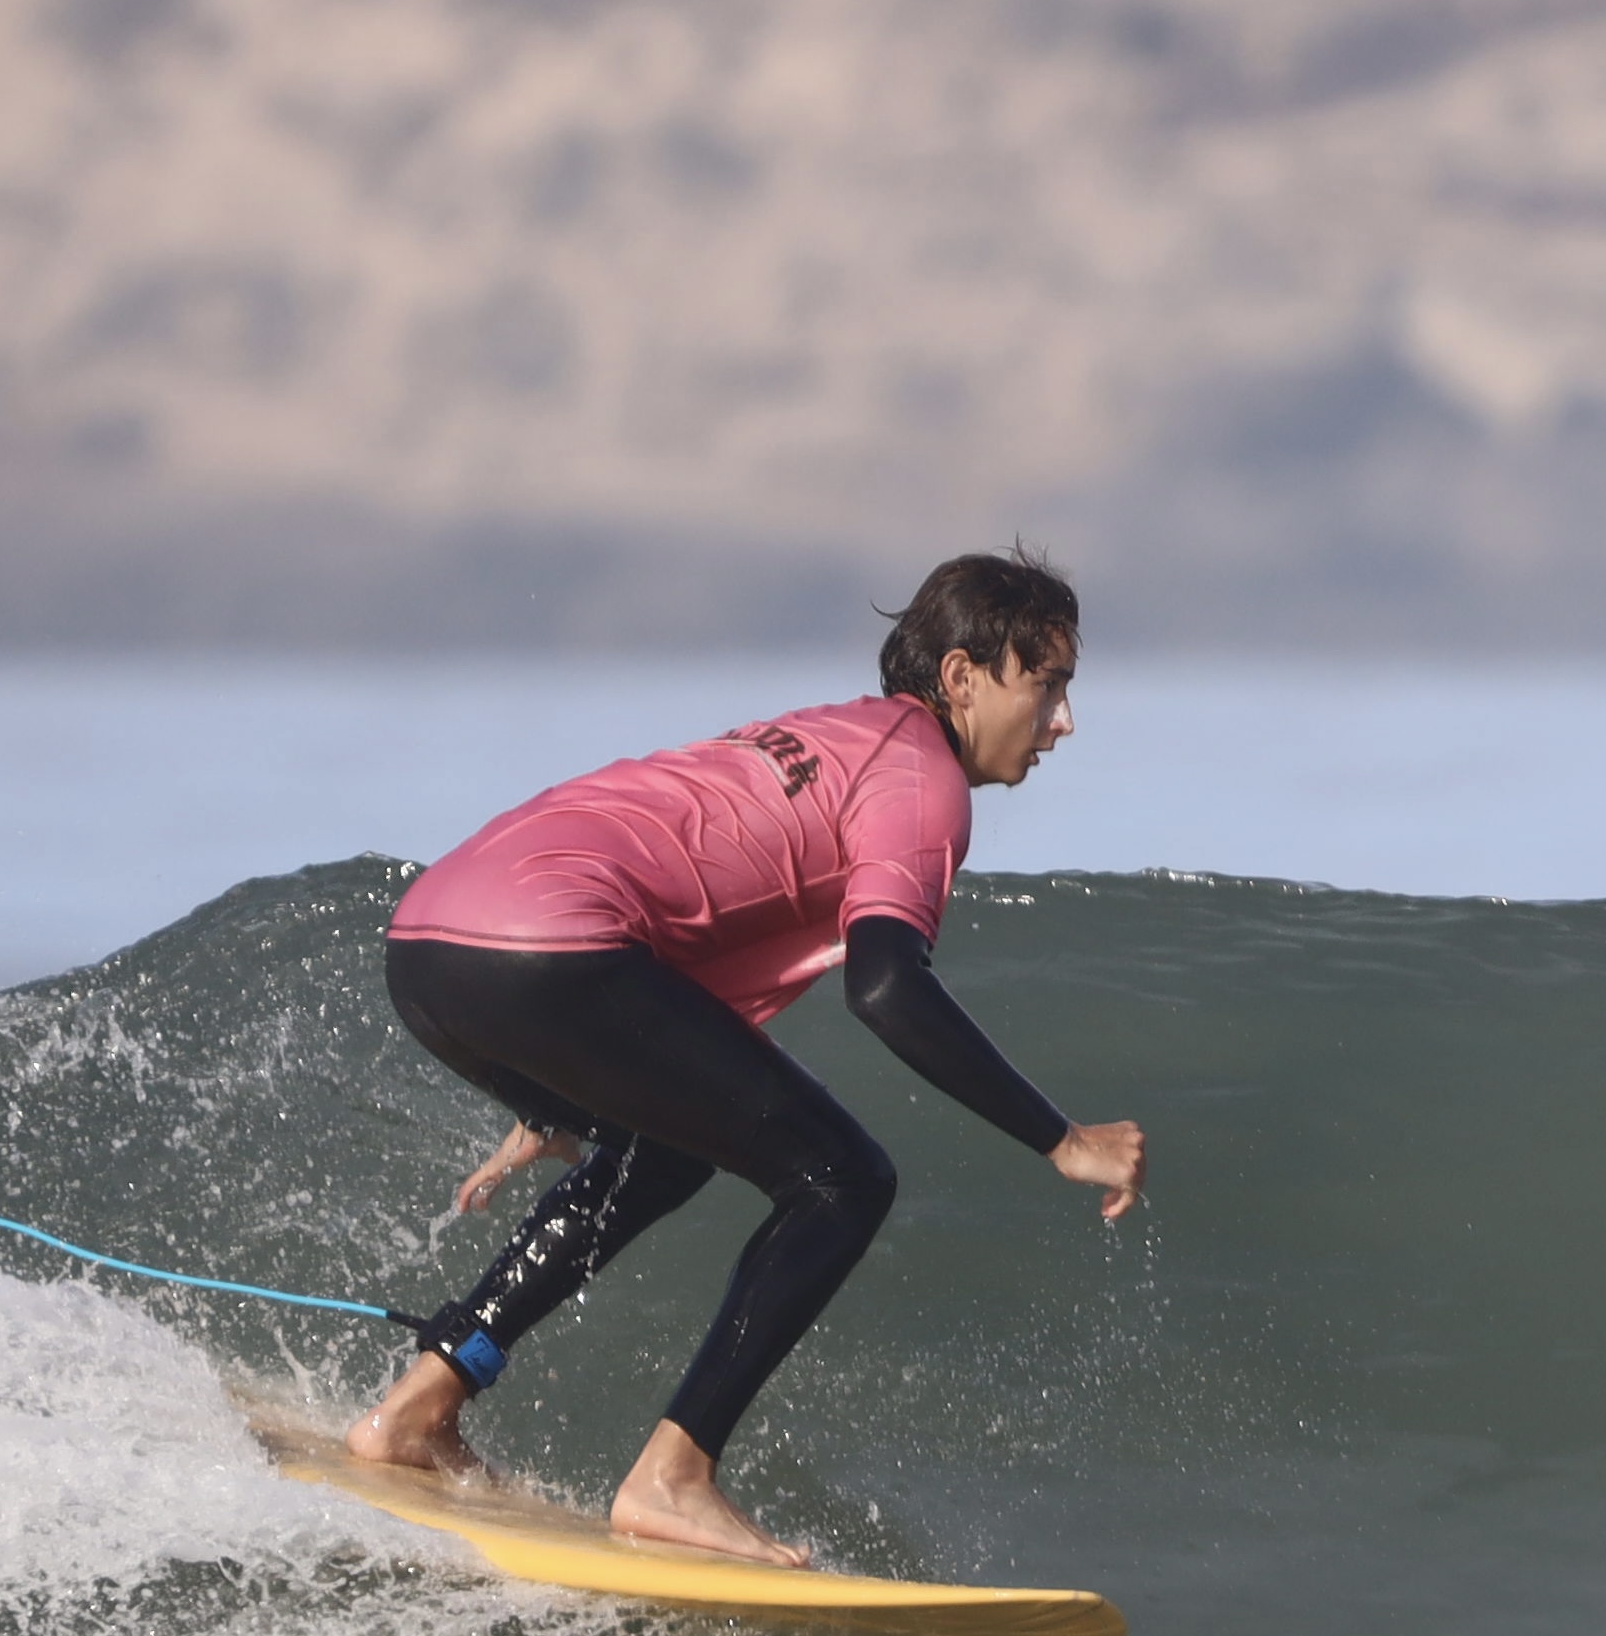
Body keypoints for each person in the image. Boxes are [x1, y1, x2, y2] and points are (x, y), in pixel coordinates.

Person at [343, 549, 1143, 1564]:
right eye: (1049, 685)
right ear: (960, 677)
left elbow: (685, 899)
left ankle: (419, 1406)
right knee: (843, 1181)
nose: (1063, 722)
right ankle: (672, 1480)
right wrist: (1060, 1139)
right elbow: (888, 986)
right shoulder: (922, 780)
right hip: (556, 949)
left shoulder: (834, 732)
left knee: (667, 1147)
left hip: (431, 947)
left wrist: (565, 1088)